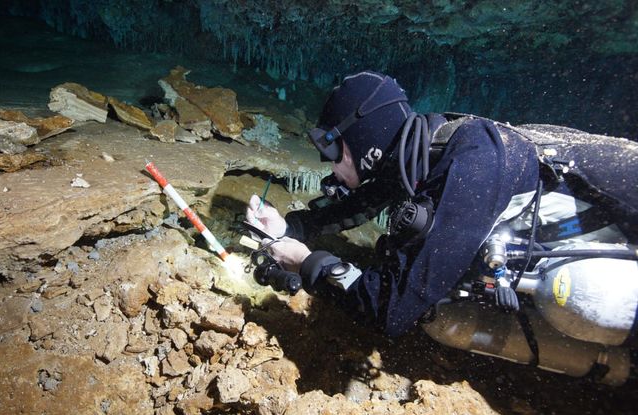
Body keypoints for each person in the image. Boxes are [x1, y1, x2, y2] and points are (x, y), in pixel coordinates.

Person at [246, 70, 638, 337]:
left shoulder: (470, 165)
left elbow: (391, 310)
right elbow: (361, 203)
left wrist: (304, 261)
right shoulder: (425, 146)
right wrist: (287, 228)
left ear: (365, 142)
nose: (327, 162)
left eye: (332, 148)